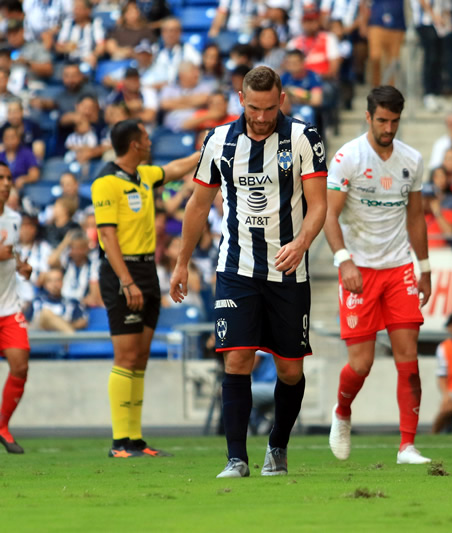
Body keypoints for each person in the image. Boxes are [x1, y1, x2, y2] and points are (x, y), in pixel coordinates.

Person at [170, 66, 328, 478]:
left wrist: (301, 243)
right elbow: (198, 205)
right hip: (237, 267)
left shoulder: (303, 137)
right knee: (236, 360)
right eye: (254, 108)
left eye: (270, 108)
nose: (261, 116)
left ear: (282, 100)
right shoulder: (219, 140)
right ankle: (235, 458)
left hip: (288, 269)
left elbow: (319, 205)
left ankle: (277, 445)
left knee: (291, 369)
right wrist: (182, 261)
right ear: (241, 99)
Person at [325, 86, 432, 465]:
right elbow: (328, 214)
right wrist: (343, 260)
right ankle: (341, 412)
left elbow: (415, 216)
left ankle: (407, 446)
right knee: (361, 364)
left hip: (400, 267)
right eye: (382, 120)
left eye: (394, 121)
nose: (388, 128)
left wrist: (425, 267)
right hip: (359, 270)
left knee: (409, 359)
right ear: (368, 117)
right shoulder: (347, 158)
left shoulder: (412, 159)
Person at [91, 119, 200, 459]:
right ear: (134, 144)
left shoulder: (144, 176)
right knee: (125, 356)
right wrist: (126, 281)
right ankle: (118, 442)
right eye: (146, 136)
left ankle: (135, 439)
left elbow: (175, 169)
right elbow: (107, 237)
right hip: (120, 271)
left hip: (147, 269)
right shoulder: (105, 183)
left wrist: (207, 150)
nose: (151, 140)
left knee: (139, 358)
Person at [0, 161, 33, 453]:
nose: (6, 183)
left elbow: (13, 255)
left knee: (20, 366)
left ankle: (2, 426)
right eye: (0, 178)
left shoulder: (12, 218)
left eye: (8, 178)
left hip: (9, 307)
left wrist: (22, 266)